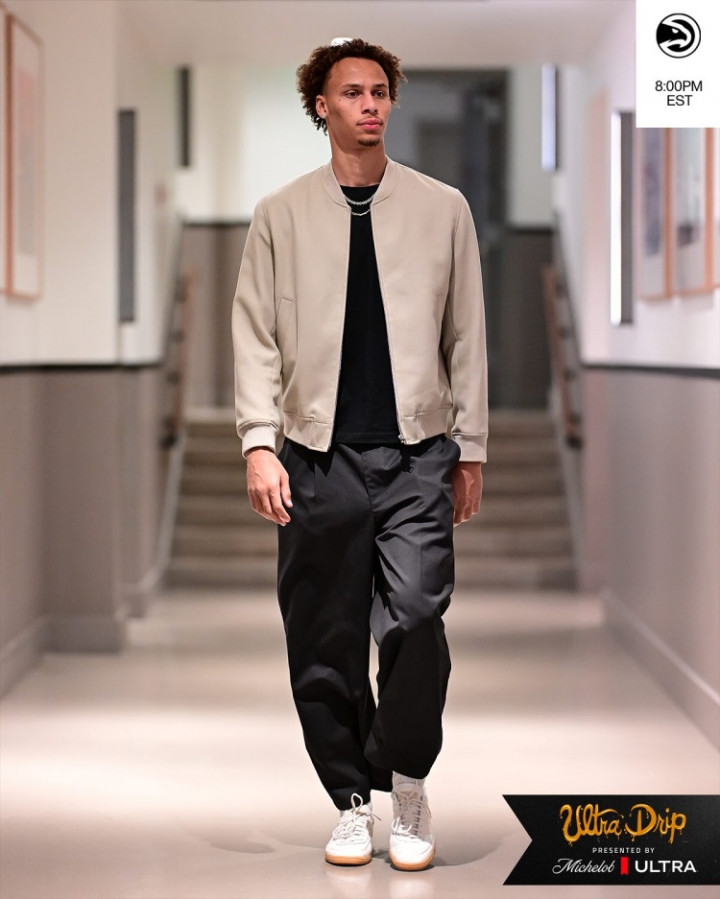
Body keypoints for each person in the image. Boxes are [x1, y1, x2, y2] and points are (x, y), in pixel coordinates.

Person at [231, 38, 487, 871]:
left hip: (418, 454)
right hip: (316, 457)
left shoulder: (443, 208)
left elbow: (466, 336)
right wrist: (258, 442)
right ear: (322, 107)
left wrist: (472, 447)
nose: (370, 105)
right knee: (324, 633)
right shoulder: (280, 214)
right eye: (352, 93)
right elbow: (255, 335)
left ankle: (406, 778)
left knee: (416, 616)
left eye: (380, 91)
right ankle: (349, 798)